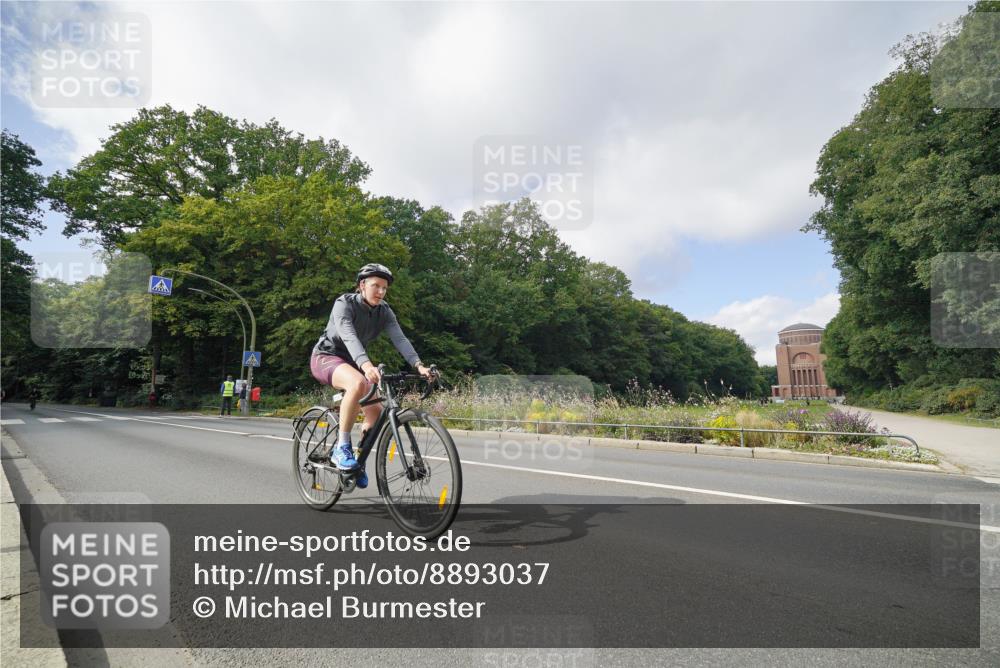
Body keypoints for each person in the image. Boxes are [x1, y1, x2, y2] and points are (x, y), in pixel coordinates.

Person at [310, 263, 433, 489]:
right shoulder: (343, 304)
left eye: (384, 288)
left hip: (353, 362)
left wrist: (419, 366)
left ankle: (357, 462)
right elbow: (347, 335)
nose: (381, 292)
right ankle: (342, 447)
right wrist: (366, 365)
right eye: (376, 286)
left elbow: (400, 339)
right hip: (326, 357)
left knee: (375, 413)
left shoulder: (384, 311)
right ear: (361, 286)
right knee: (357, 383)